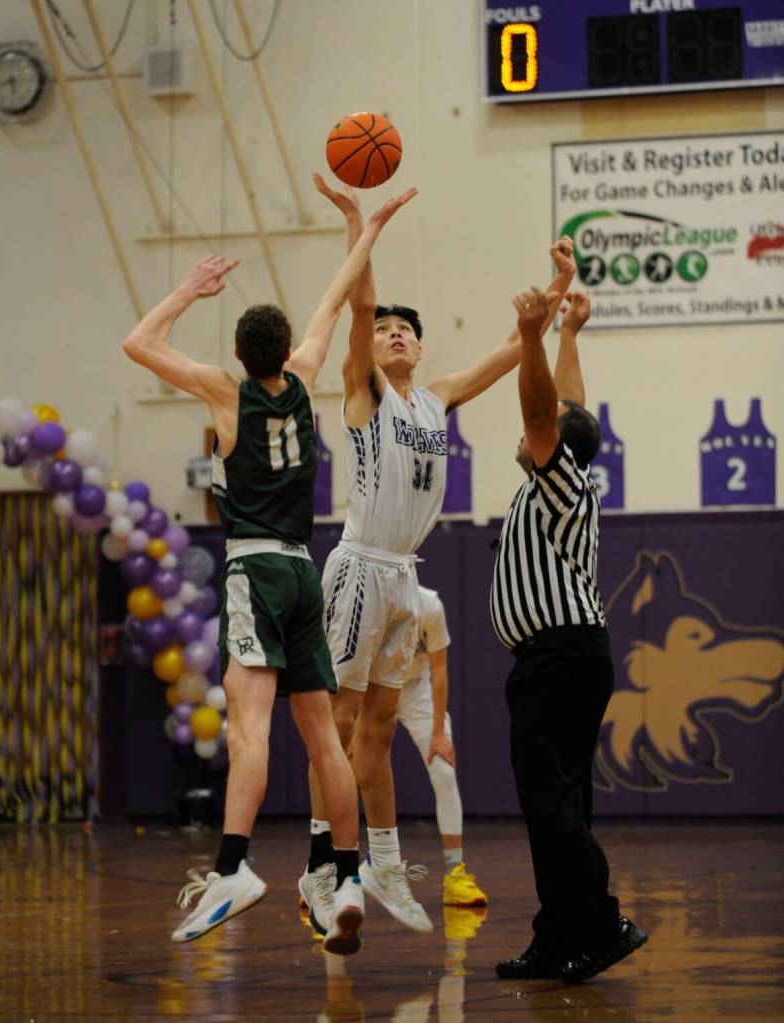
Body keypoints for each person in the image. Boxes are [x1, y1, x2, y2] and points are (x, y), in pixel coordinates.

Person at [121, 180, 416, 955]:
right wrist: (367, 228)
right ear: (286, 351)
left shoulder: (226, 391)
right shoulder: (307, 371)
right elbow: (336, 296)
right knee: (324, 736)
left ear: (239, 356)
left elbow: (138, 344)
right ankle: (345, 875)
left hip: (253, 567)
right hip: (305, 571)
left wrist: (187, 289)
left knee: (250, 728)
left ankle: (233, 865)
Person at [301, 173, 577, 936]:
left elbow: (508, 350)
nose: (392, 332)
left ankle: (384, 860)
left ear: (420, 348)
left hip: (402, 579)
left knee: (384, 730)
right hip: (359, 565)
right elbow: (359, 305)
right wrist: (363, 226)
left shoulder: (436, 396)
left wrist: (556, 286)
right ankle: (326, 865)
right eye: (385, 328)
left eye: (403, 330)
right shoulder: (366, 393)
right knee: (340, 720)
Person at [490, 287, 648, 983]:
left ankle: (601, 922)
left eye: (546, 427)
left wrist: (531, 336)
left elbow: (542, 409)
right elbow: (568, 408)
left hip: (558, 656)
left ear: (550, 443)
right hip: (565, 656)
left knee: (550, 804)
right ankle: (557, 938)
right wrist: (570, 335)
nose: (535, 427)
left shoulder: (556, 481)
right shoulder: (567, 478)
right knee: (558, 802)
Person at [397, 586, 486, 907]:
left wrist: (438, 733)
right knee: (345, 769)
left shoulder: (429, 604)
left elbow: (439, 670)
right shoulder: (372, 600)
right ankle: (325, 870)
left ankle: (454, 872)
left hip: (416, 689)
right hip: (373, 688)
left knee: (444, 772)